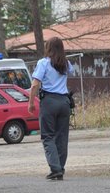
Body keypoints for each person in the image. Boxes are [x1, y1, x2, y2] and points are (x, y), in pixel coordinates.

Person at [28, 37, 73, 181]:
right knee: (62, 137)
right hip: (64, 102)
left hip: (49, 101)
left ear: (48, 48)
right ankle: (61, 167)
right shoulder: (66, 63)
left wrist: (31, 102)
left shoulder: (44, 63)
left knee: (48, 136)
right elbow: (70, 72)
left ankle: (55, 169)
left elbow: (35, 84)